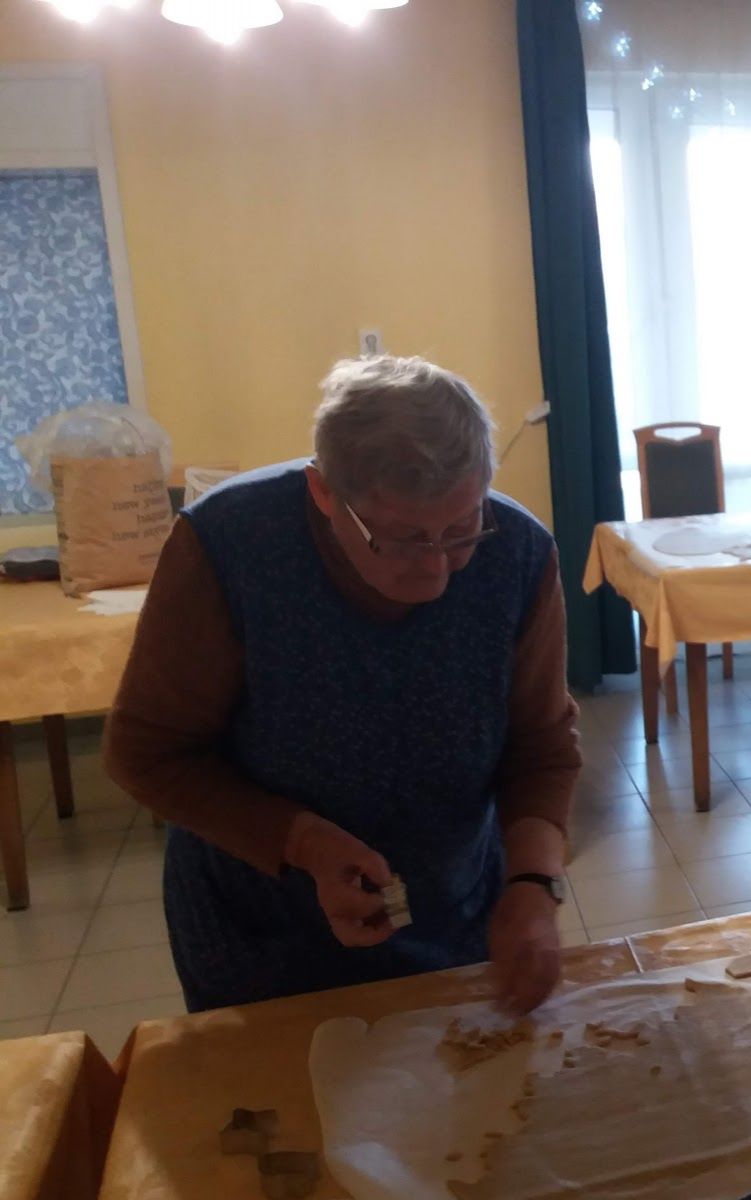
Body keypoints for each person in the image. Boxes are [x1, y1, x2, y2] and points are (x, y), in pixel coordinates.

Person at [104, 356, 579, 1014]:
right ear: (324, 493)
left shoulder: (519, 551)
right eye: (404, 538)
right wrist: (302, 843)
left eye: (461, 530)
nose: (437, 569)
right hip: (262, 932)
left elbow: (542, 746)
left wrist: (531, 884)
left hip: (453, 909)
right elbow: (145, 752)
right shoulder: (228, 546)